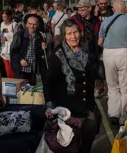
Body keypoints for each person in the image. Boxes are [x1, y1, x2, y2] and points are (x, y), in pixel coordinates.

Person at [44, 19, 97, 153]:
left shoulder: (85, 49)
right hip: (68, 109)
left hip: (87, 105)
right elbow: (48, 81)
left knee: (88, 137)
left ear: (80, 32)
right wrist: (50, 105)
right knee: (71, 145)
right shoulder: (58, 55)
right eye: (69, 34)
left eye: (75, 32)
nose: (73, 37)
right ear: (64, 36)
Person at [98, 0, 127, 125]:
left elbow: (99, 42)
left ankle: (113, 114)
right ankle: (124, 115)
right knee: (125, 85)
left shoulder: (105, 22)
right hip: (124, 53)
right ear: (125, 9)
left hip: (108, 54)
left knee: (112, 86)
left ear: (114, 9)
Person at [10, 15, 47, 86]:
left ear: (37, 25)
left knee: (31, 91)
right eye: (30, 24)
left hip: (32, 69)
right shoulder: (20, 34)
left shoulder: (39, 35)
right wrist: (20, 59)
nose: (32, 26)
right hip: (21, 69)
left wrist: (44, 46)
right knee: (20, 90)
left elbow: (41, 53)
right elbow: (13, 51)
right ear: (26, 24)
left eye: (34, 24)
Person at [0, 8, 18, 78]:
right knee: (6, 67)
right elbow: (1, 34)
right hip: (4, 49)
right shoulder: (2, 24)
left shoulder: (14, 24)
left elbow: (16, 37)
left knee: (11, 68)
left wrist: (8, 38)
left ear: (10, 16)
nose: (4, 19)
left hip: (12, 49)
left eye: (5, 17)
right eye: (2, 17)